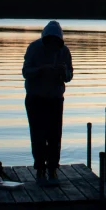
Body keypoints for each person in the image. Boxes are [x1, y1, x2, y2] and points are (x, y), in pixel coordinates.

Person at [22, 20, 73, 185]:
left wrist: (63, 72)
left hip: (55, 99)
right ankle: (40, 170)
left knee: (54, 135)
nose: (53, 43)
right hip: (35, 98)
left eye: (55, 40)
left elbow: (70, 75)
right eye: (50, 39)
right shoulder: (34, 48)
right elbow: (25, 72)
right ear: (45, 38)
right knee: (38, 135)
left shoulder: (64, 51)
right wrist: (41, 70)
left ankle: (52, 170)